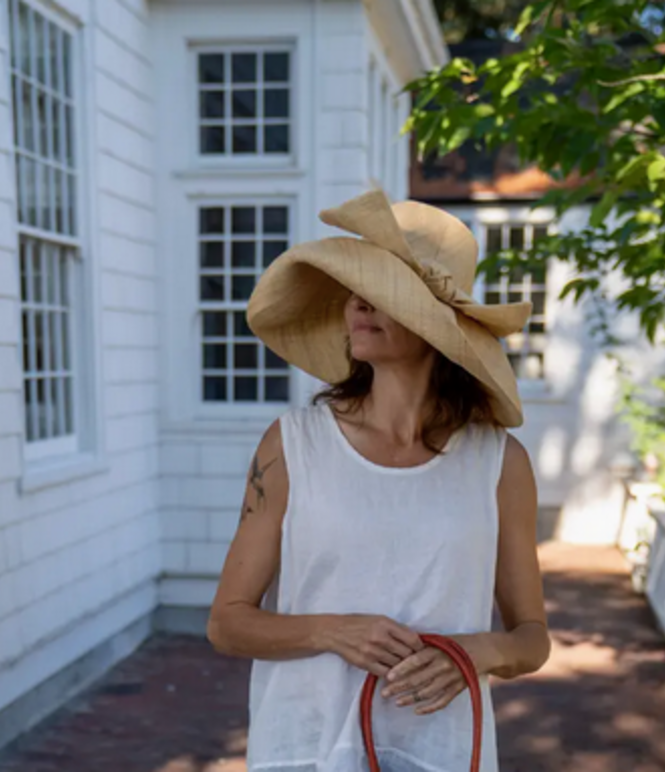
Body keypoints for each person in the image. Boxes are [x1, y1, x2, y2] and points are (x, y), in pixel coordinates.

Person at [207, 190, 551, 772]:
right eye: (355, 289)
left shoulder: (499, 463)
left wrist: (475, 652)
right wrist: (333, 632)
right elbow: (227, 623)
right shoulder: (292, 445)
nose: (359, 303)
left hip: (438, 752)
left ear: (437, 326)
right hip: (306, 750)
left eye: (385, 291)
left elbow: (533, 639)